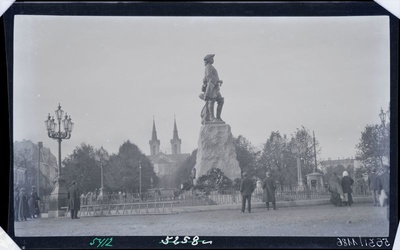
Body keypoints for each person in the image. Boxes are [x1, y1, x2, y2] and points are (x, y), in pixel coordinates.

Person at [202, 54, 224, 123]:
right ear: (209, 59)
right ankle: (212, 117)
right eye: (212, 58)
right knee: (211, 101)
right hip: (211, 86)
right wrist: (217, 81)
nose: (213, 59)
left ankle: (218, 117)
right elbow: (208, 75)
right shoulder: (208, 66)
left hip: (215, 87)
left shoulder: (210, 66)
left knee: (220, 100)